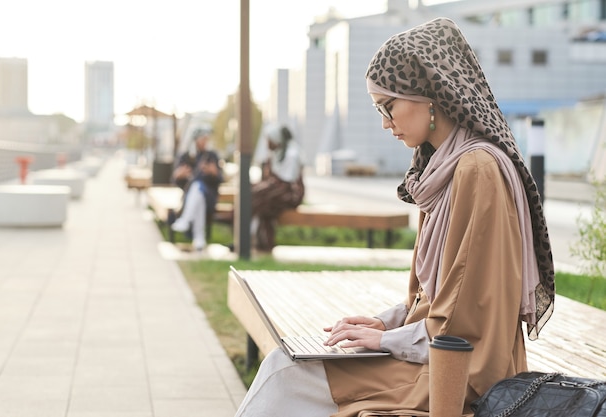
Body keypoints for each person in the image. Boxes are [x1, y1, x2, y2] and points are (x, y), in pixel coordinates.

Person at [233, 17, 556, 417]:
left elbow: (465, 322)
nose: (385, 123)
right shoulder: (441, 167)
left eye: (389, 106)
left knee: (287, 375)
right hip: (430, 352)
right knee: (287, 364)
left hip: (457, 374)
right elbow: (433, 301)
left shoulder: (476, 168)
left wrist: (385, 341)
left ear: (429, 94)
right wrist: (382, 325)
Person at [251, 124, 304, 252]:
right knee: (258, 201)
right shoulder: (275, 154)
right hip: (277, 192)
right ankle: (257, 241)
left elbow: (287, 182)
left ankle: (251, 239)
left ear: (276, 139)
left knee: (259, 200)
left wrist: (264, 187)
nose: (266, 143)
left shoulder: (291, 153)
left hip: (290, 194)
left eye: (268, 139)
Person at [170, 127, 223, 251]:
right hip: (190, 198)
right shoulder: (187, 157)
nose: (205, 141)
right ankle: (199, 237)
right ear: (196, 140)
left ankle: (186, 220)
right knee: (198, 193)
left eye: (206, 139)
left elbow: (220, 179)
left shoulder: (211, 156)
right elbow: (176, 181)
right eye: (203, 139)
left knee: (198, 187)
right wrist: (178, 175)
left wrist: (215, 173)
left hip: (209, 196)